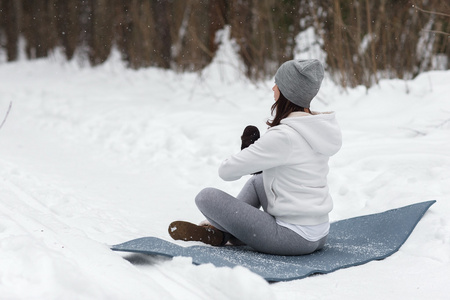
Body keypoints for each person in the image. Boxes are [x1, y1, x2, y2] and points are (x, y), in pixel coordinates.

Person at [169, 59, 342, 256]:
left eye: (278, 83)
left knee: (206, 197)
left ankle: (223, 232)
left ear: (287, 92)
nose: (273, 87)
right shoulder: (316, 128)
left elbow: (226, 172)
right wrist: (262, 162)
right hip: (320, 233)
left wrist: (248, 152)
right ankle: (225, 233)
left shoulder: (284, 136)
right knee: (259, 180)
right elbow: (295, 165)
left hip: (292, 238)